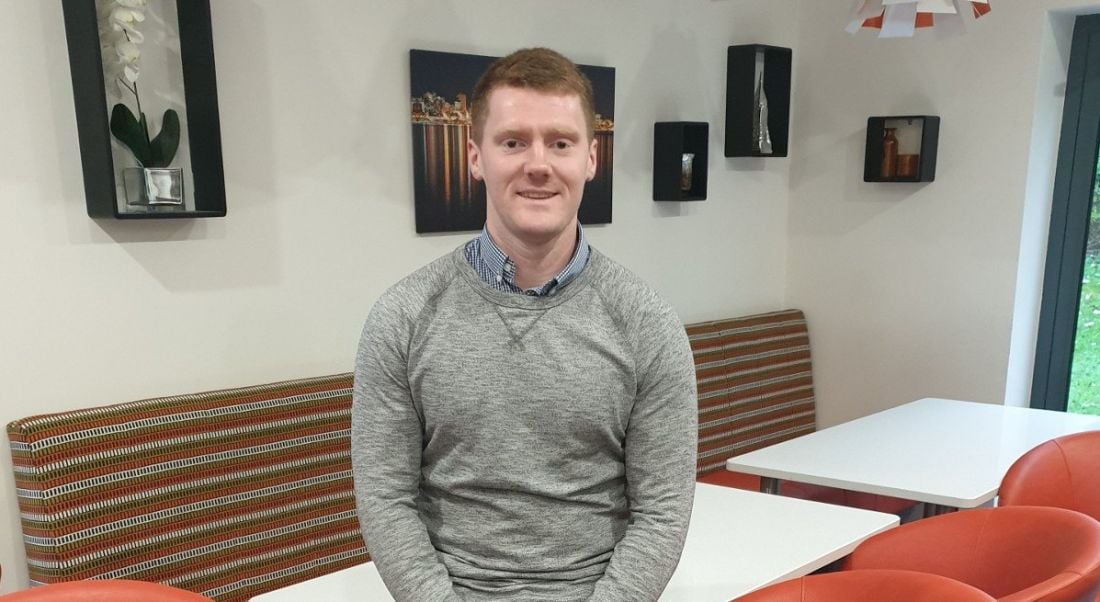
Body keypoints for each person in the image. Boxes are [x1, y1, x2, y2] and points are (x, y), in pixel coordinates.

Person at [351, 47, 697, 601]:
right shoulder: (403, 318)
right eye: (513, 142)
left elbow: (663, 511)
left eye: (560, 142)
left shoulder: (646, 323)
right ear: (475, 157)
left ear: (590, 158)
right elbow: (385, 500)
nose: (539, 164)